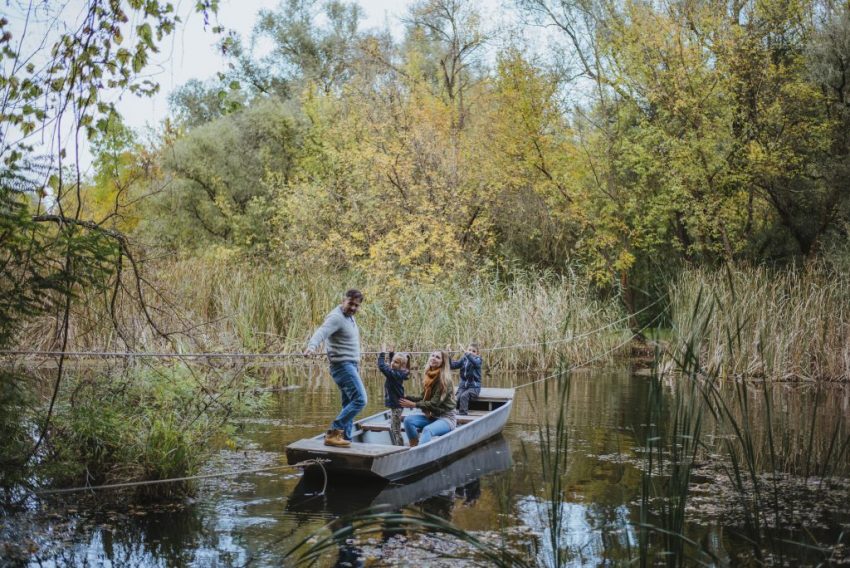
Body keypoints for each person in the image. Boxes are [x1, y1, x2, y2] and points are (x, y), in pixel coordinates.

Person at [303, 289, 366, 447]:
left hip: (351, 365)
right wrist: (311, 347)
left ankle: (345, 438)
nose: (353, 308)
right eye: (350, 303)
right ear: (343, 300)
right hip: (343, 366)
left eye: (356, 305)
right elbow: (322, 332)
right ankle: (333, 432)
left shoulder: (349, 317)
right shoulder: (336, 317)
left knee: (349, 404)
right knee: (360, 400)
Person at [399, 350, 457, 447]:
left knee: (427, 430)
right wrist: (406, 397)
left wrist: (414, 405)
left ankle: (418, 454)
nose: (433, 358)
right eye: (432, 355)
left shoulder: (445, 380)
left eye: (437, 357)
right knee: (408, 420)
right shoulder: (429, 376)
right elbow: (423, 397)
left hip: (446, 418)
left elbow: (434, 403)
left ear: (443, 362)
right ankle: (414, 445)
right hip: (432, 416)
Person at [377, 349, 411, 446]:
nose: (392, 363)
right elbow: (392, 367)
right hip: (395, 406)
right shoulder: (397, 372)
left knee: (395, 430)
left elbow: (382, 367)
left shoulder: (395, 374)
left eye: (396, 362)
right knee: (393, 428)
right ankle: (397, 446)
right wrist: (391, 354)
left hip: (397, 406)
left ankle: (399, 447)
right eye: (392, 361)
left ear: (402, 366)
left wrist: (382, 354)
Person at [450, 343, 483, 415]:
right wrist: (448, 357)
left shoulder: (478, 360)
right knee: (456, 398)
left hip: (474, 387)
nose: (471, 352)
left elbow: (475, 363)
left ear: (477, 353)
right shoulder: (463, 359)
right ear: (467, 350)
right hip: (463, 386)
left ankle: (463, 414)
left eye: (473, 351)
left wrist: (468, 355)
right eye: (469, 350)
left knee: (464, 396)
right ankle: (450, 413)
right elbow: (453, 365)